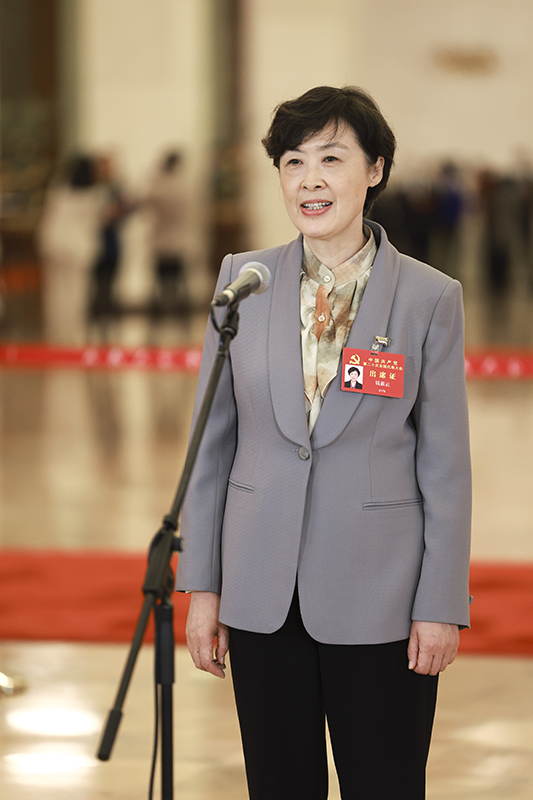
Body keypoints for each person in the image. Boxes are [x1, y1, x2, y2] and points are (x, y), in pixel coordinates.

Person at [176, 86, 472, 800]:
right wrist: (203, 587)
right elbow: (211, 448)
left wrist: (439, 602)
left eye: (331, 159)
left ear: (374, 169)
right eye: (293, 161)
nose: (309, 179)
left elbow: (445, 465)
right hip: (260, 590)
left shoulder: (428, 297)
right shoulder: (243, 282)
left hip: (380, 596)